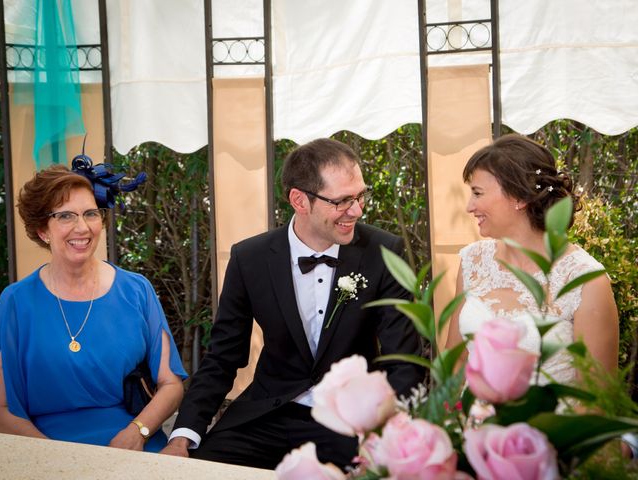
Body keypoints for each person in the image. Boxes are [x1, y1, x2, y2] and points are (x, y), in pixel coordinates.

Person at [161, 138, 424, 470]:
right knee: (202, 472)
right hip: (268, 414)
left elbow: (404, 360)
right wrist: (181, 437)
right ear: (300, 200)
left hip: (350, 422)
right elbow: (222, 358)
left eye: (360, 196)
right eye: (343, 200)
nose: (357, 210)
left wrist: (388, 434)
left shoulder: (385, 253)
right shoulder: (249, 258)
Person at [0, 159, 187, 452]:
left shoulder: (137, 290)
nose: (82, 227)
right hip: (44, 448)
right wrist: (55, 457)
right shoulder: (15, 302)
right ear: (42, 230)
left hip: (132, 446)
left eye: (90, 213)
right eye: (65, 216)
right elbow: (2, 408)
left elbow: (171, 384)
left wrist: (138, 430)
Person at [446, 134, 619, 384]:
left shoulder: (586, 281)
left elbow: (598, 396)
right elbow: (457, 361)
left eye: (478, 193)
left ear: (519, 197)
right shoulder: (473, 261)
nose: (469, 206)